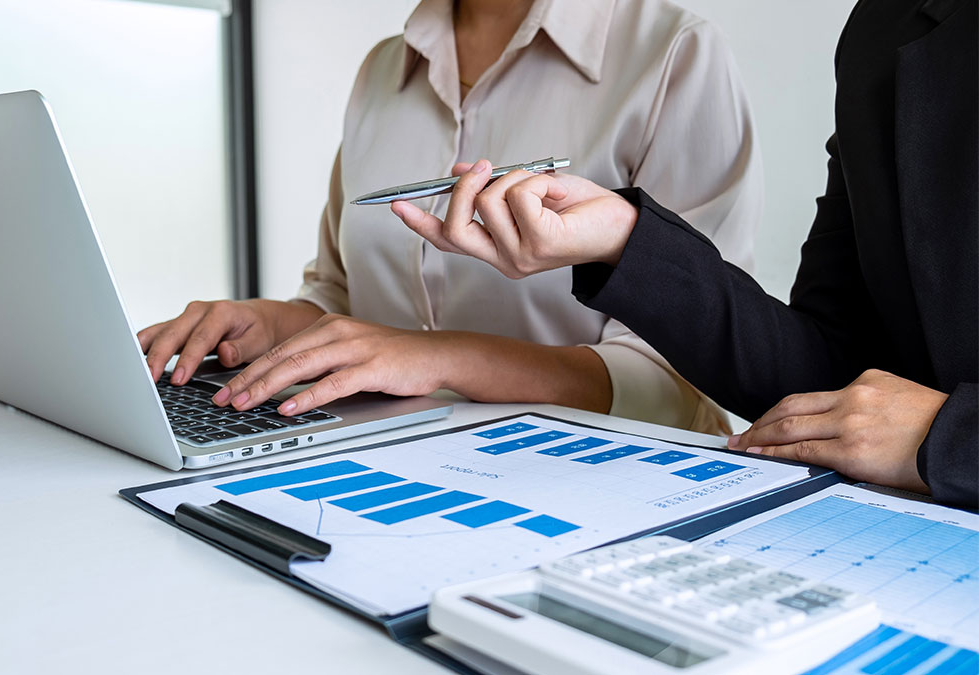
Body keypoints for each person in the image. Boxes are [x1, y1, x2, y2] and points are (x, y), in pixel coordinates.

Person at [394, 0, 977, 507]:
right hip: (886, 529)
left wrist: (950, 437)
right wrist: (624, 241)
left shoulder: (674, 47)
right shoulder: (887, 24)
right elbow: (825, 377)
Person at [139, 0, 763, 434]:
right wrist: (271, 325)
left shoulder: (674, 54)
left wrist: (440, 358)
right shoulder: (385, 69)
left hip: (600, 483)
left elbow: (678, 385)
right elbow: (339, 297)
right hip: (385, 457)